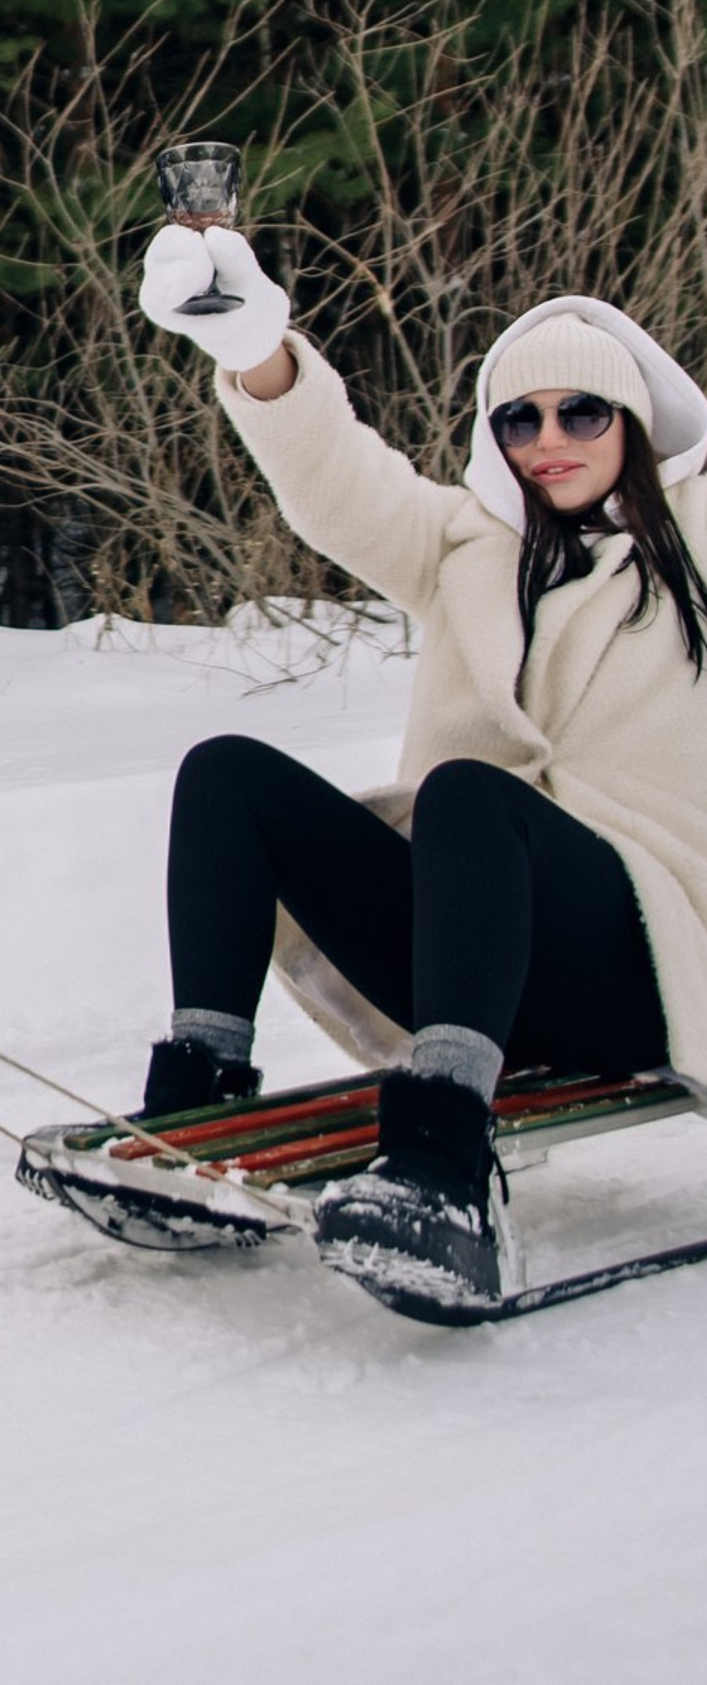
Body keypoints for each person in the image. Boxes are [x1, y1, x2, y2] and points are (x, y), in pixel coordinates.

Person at [133, 219, 707, 1310]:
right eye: (520, 417)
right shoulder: (465, 551)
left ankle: (441, 1167)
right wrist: (255, 347)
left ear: (631, 421)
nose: (550, 437)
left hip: (636, 962)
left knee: (469, 792)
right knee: (228, 775)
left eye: (580, 410)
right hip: (468, 958)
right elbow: (337, 479)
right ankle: (198, 1095)